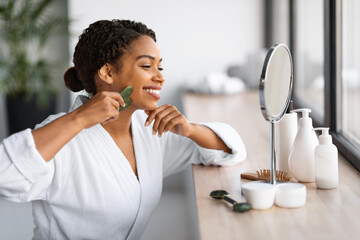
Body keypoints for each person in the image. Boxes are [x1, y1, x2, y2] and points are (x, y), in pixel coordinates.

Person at [0, 19, 246, 239]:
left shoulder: (149, 130)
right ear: (107, 71)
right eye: (147, 66)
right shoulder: (66, 138)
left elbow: (230, 150)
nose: (160, 77)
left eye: (160, 67)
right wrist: (79, 119)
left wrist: (190, 129)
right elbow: (5, 175)